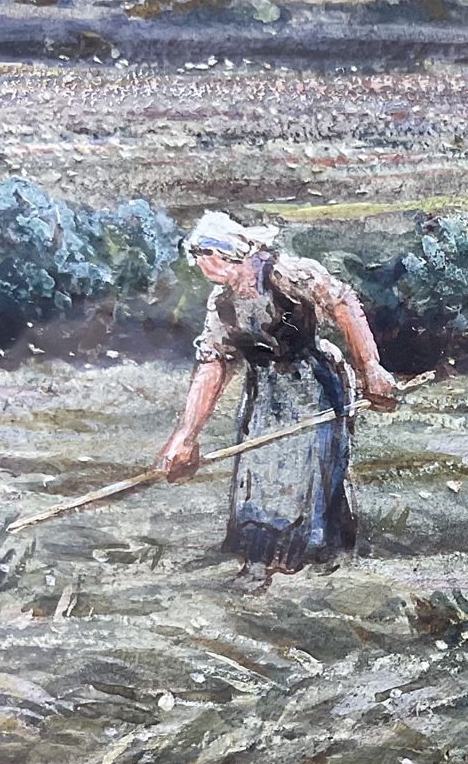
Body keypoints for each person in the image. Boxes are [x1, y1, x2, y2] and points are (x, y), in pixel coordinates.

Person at [158, 212, 398, 576]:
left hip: (312, 384)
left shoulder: (289, 274)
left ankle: (309, 555)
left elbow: (343, 305)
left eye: (213, 261)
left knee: (306, 469)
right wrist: (186, 436)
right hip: (263, 394)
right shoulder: (222, 304)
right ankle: (260, 556)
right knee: (260, 470)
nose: (210, 272)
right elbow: (213, 364)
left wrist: (370, 368)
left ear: (233, 255)